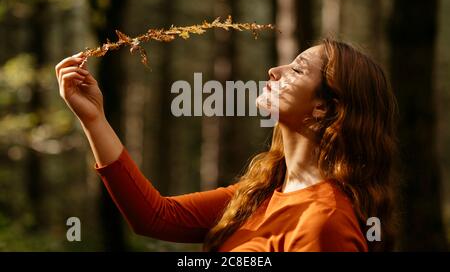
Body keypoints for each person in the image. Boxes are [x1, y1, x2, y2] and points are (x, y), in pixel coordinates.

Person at [55, 38, 398, 252]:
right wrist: (94, 119)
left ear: (323, 108)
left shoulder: (325, 223)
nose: (274, 70)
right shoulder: (262, 192)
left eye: (297, 70)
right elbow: (154, 217)